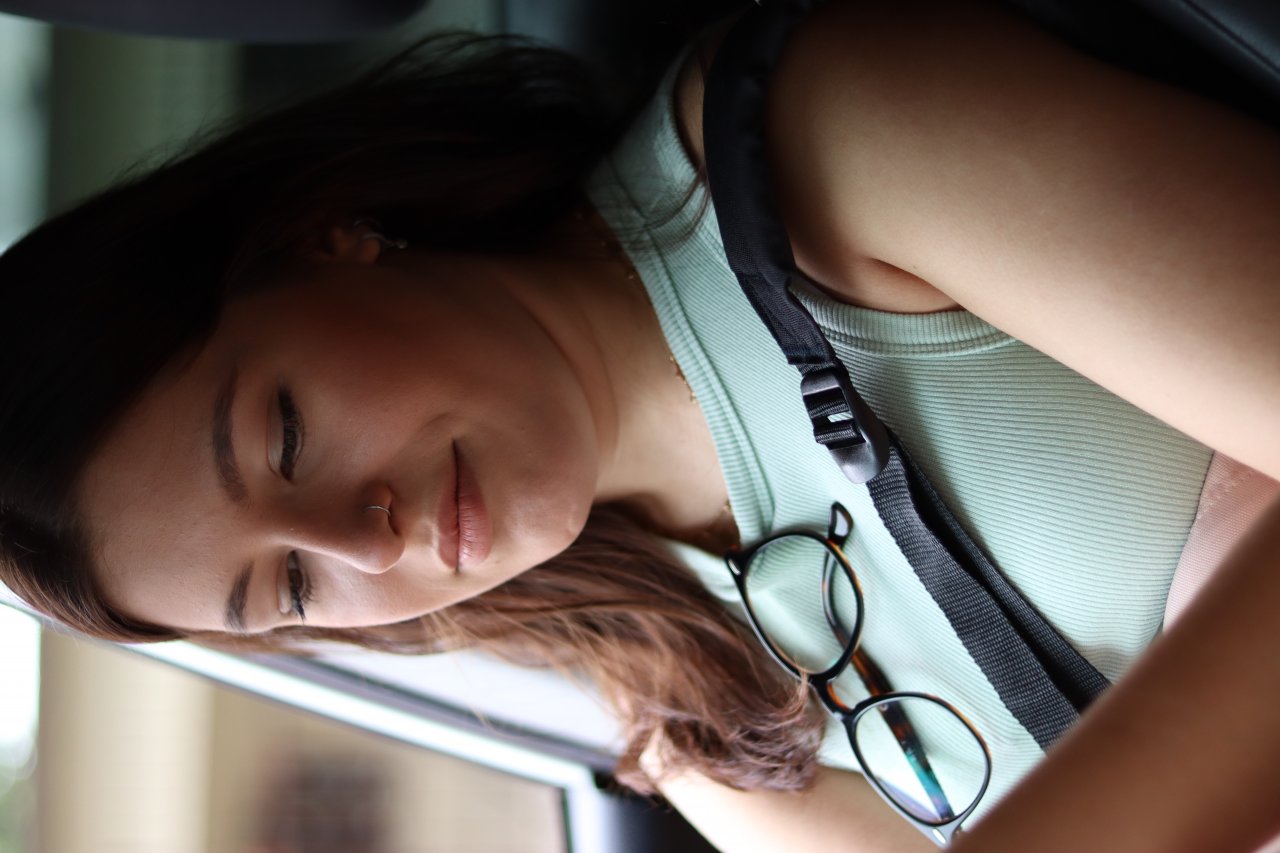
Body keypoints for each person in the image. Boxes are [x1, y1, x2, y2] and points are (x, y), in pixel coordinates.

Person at [2, 0, 1278, 850]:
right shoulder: (684, 712)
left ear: (320, 239)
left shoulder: (816, 144)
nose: (363, 537)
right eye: (289, 584)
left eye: (283, 437)